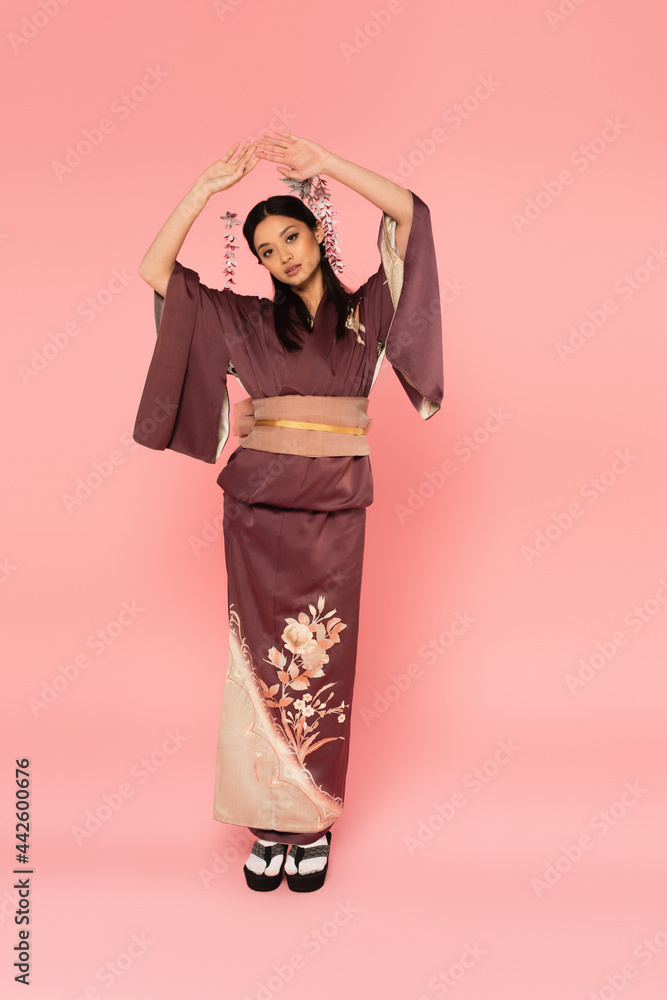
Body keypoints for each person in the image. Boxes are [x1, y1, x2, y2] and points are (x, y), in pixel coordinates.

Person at [133, 131, 444, 892]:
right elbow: (155, 273)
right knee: (257, 665)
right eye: (267, 250)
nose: (283, 256)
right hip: (257, 511)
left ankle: (309, 820)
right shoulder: (242, 319)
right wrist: (204, 185)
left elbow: (411, 216)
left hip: (335, 507)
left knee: (319, 661)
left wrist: (328, 164)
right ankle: (262, 822)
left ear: (314, 233)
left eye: (291, 237)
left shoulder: (368, 309)